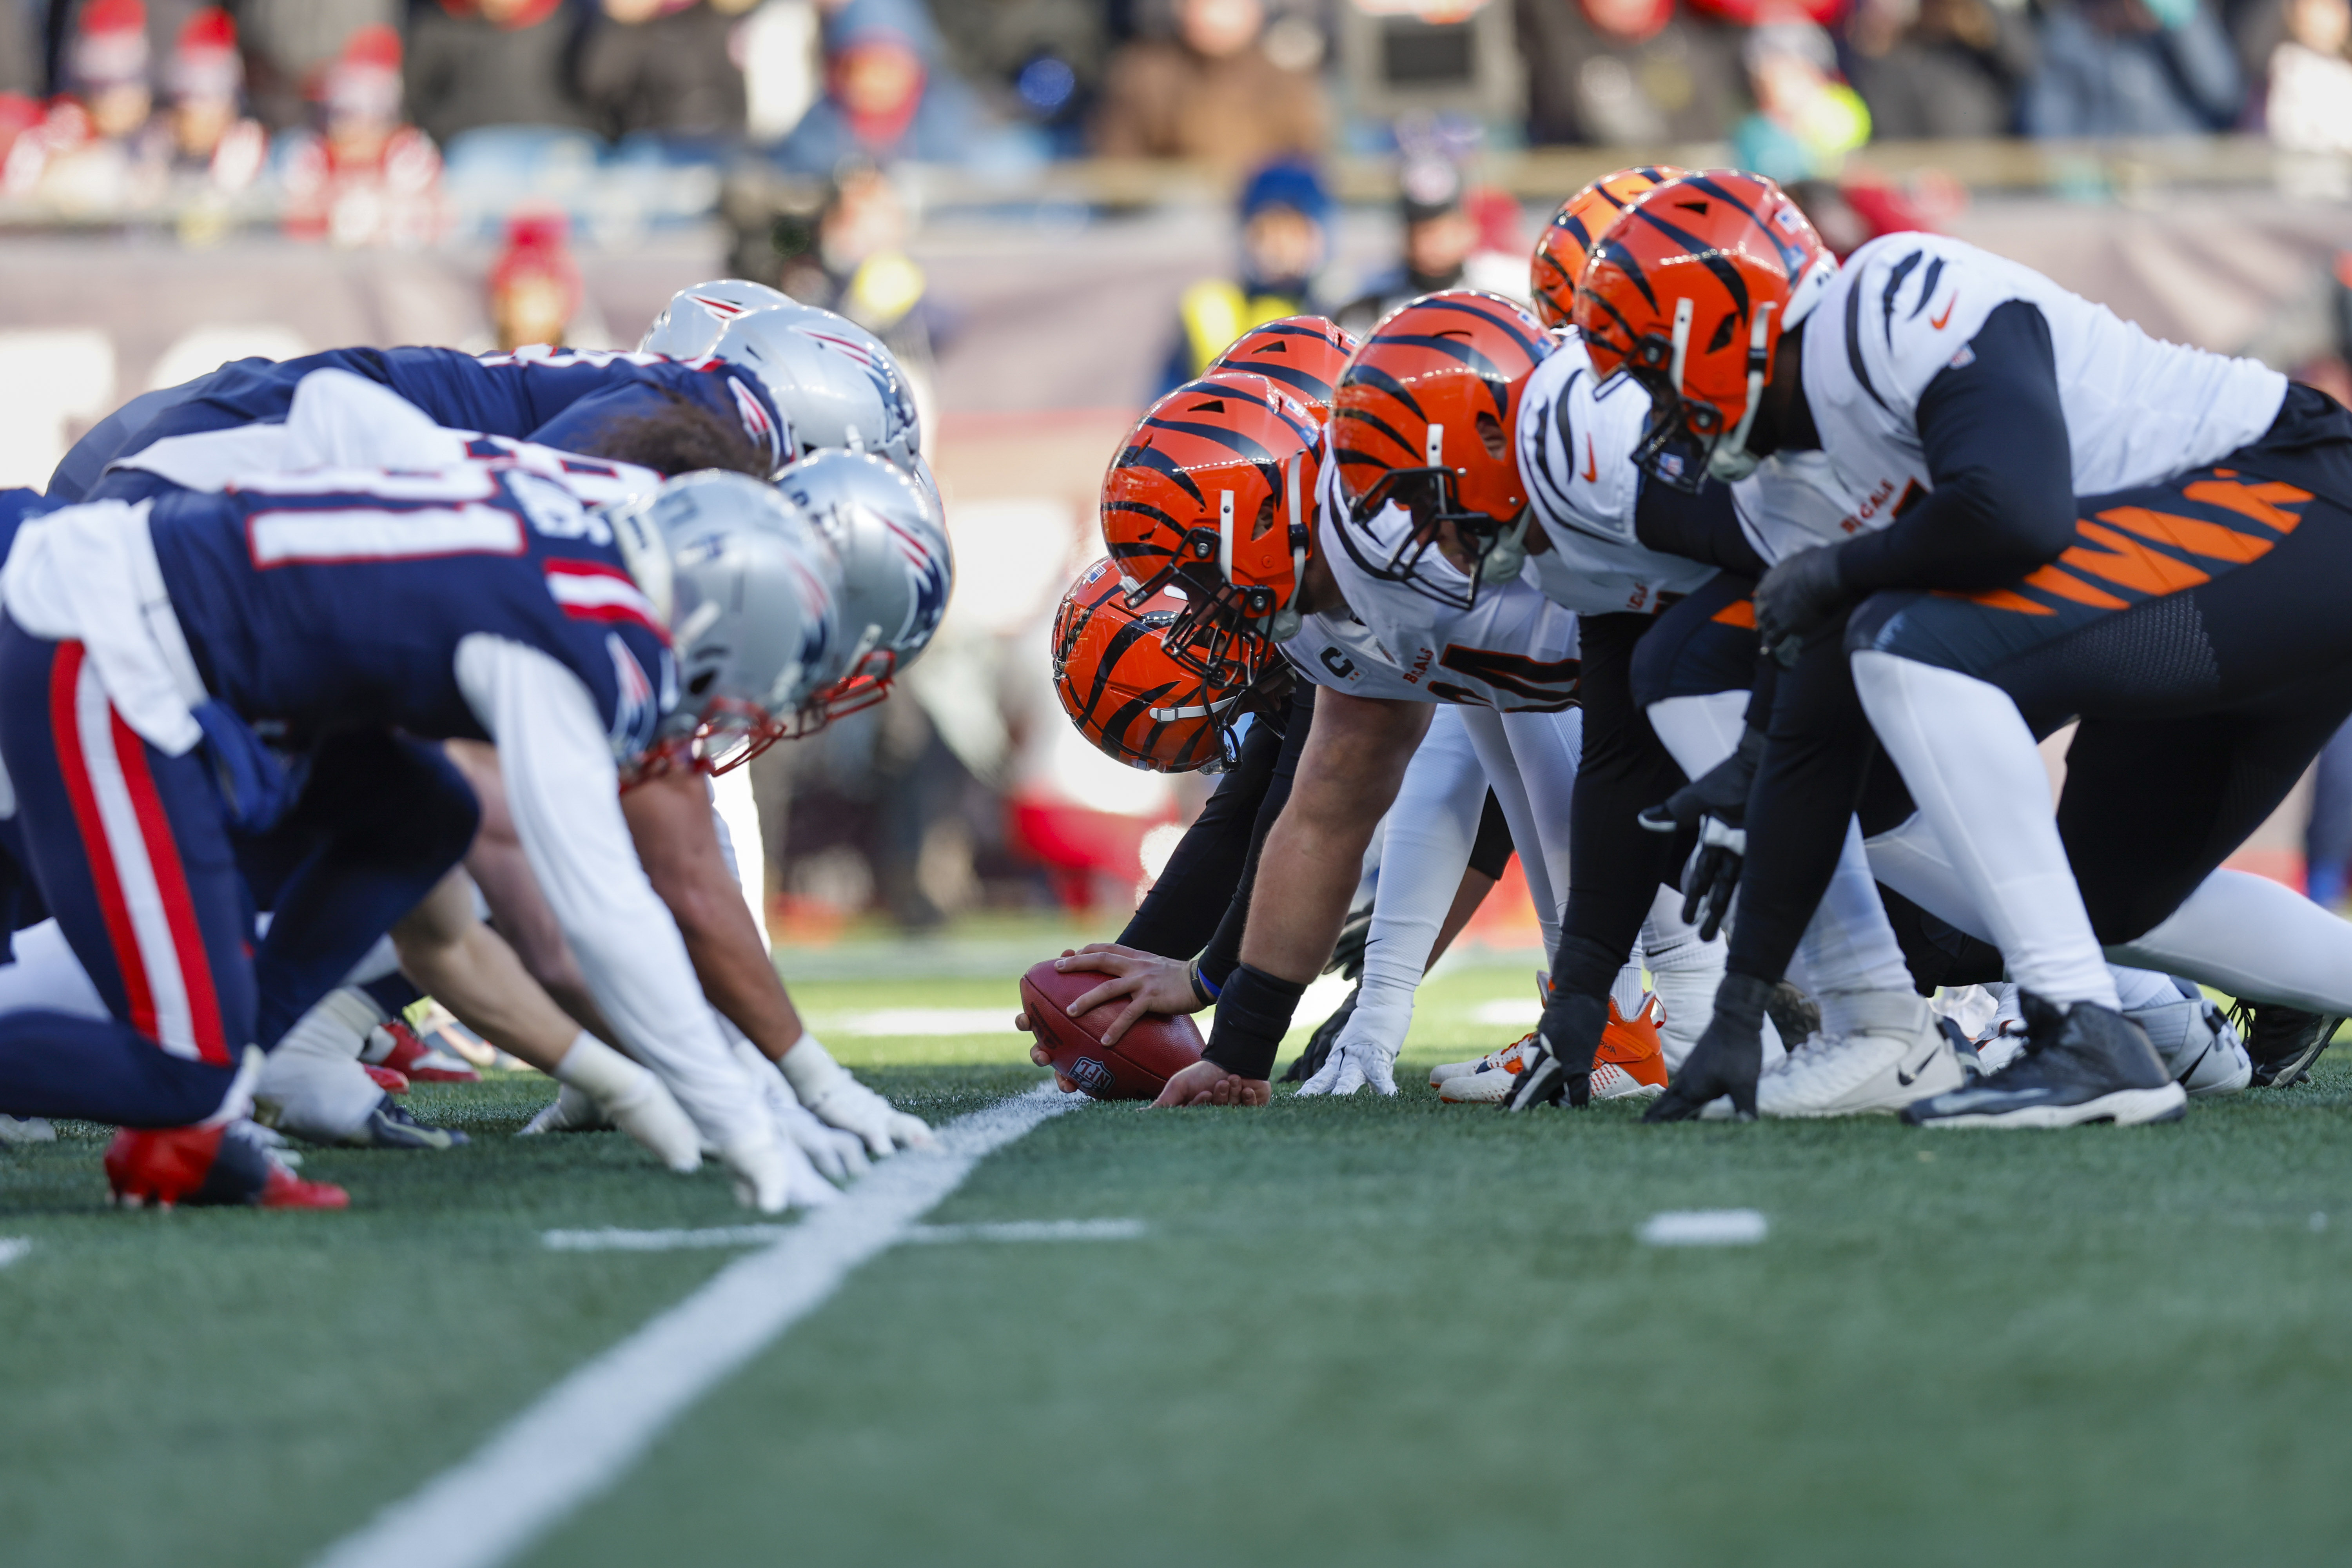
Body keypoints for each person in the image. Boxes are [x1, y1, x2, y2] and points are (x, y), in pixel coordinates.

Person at [1570, 169, 2352, 1126]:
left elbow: (2012, 512)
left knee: (1900, 642)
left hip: (2293, 506)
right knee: (2104, 905)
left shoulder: (1892, 297)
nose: (1654, 412)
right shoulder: (1781, 489)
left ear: (1718, 332)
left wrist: (1842, 571)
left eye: (1652, 371)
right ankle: (2109, 1018)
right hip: (2210, 606)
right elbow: (1812, 732)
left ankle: (2082, 1038)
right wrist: (1739, 1005)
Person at [0, 388, 838, 1209]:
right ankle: (205, 1091)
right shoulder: (577, 635)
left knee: (421, 815)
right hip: (102, 644)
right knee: (182, 1066)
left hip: (155, 632)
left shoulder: (562, 505)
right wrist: (742, 1118)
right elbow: (602, 909)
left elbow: (333, 402)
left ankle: (228, 1085)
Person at [1160, 158, 1333, 392]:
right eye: (1265, 230)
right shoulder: (1210, 307)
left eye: (1292, 230)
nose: (1278, 245)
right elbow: (1163, 406)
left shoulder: (1342, 308)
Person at [1092, 0, 1328, 170]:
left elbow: (1309, 158)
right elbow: (1118, 168)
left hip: (1261, 216)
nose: (1212, 12)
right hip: (1166, 223)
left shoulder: (1285, 78)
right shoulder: (1145, 74)